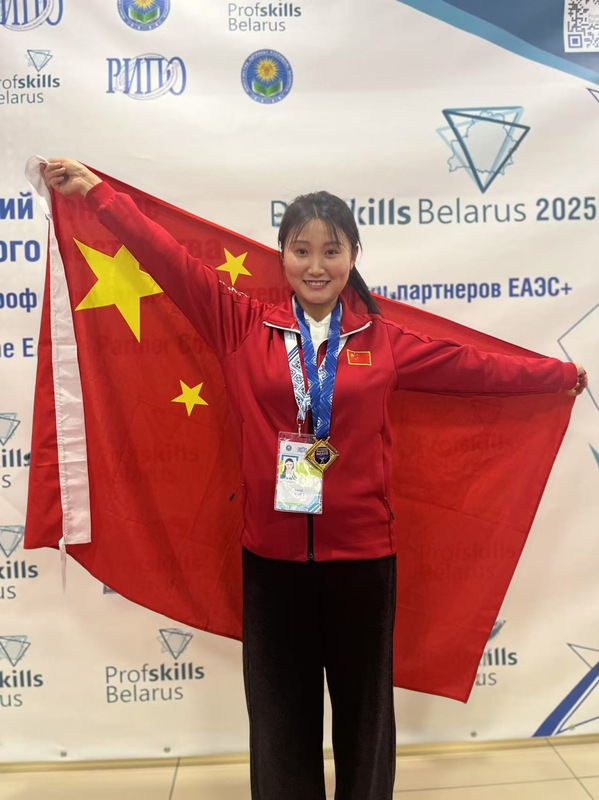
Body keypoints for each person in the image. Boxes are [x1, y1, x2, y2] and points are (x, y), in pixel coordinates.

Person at [42, 158, 587, 800]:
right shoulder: (241, 323)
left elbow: (475, 369)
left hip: (363, 560)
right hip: (272, 563)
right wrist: (96, 195)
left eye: (332, 250)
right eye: (302, 250)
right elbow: (167, 259)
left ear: (354, 256)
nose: (316, 265)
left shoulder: (382, 341)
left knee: (365, 720)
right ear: (282, 256)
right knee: (280, 722)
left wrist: (557, 376)